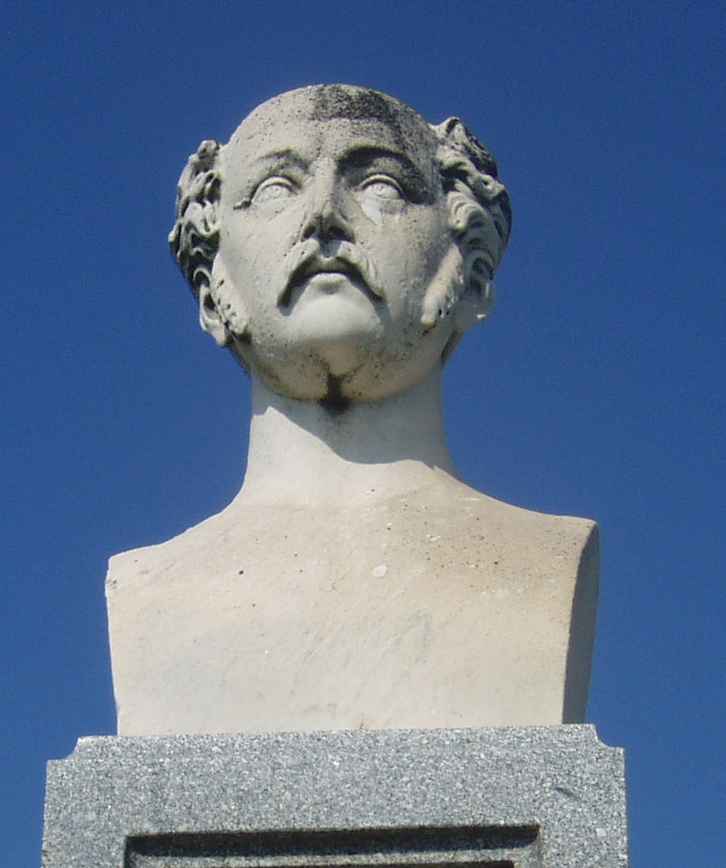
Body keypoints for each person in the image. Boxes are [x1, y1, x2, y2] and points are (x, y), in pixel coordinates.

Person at [106, 85, 600, 736]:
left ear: (472, 270)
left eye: (381, 187)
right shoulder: (149, 588)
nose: (324, 217)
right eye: (275, 190)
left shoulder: (541, 565)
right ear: (210, 290)